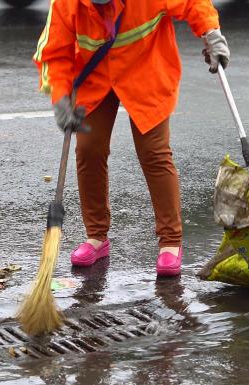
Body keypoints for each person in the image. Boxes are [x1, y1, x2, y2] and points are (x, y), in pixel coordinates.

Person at [33, 0, 229, 276]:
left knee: (154, 152)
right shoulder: (67, 3)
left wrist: (211, 35)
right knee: (88, 150)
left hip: (146, 69)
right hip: (96, 78)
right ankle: (96, 237)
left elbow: (193, 3)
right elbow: (54, 53)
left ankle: (170, 241)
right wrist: (61, 99)